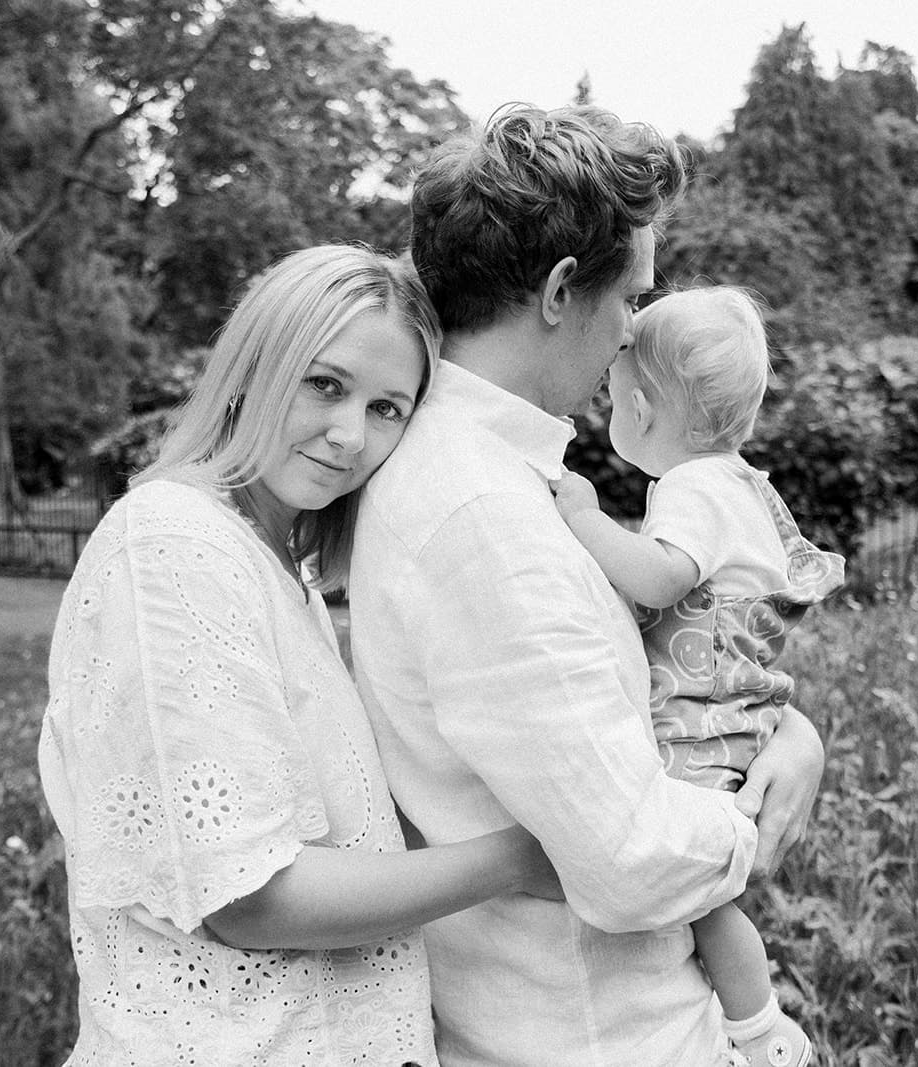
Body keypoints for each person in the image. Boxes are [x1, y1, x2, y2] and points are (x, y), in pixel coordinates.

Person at [349, 105, 827, 1065]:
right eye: (631, 298)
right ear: (564, 290)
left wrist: (790, 731)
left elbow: (619, 694)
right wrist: (753, 811)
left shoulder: (500, 479)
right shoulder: (483, 520)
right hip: (601, 1033)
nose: (631, 333)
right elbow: (631, 862)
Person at [37, 244, 559, 1066]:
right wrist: (523, 853)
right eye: (326, 384)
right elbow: (248, 895)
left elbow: (355, 847)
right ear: (256, 365)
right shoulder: (172, 542)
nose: (351, 435)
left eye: (388, 408)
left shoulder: (286, 573)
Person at [552, 286, 846, 1067]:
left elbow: (659, 579)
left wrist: (581, 520)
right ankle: (745, 1021)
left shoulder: (691, 488)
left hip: (701, 723)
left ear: (641, 407)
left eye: (613, 398)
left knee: (699, 896)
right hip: (734, 715)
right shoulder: (744, 484)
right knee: (707, 899)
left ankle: (759, 1031)